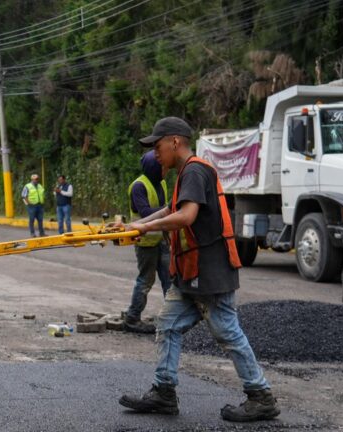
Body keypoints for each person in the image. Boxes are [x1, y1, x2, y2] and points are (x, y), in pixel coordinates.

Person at [118, 117, 279, 422]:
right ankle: (164, 392)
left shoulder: (194, 170)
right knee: (168, 324)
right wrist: (134, 226)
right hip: (190, 273)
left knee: (227, 332)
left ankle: (261, 396)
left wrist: (145, 227)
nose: (154, 153)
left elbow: (186, 216)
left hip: (208, 272)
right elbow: (172, 209)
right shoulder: (187, 173)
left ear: (175, 141)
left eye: (157, 146)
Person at [123, 152, 171, 334]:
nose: (166, 170)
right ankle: (132, 318)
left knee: (169, 279)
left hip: (161, 240)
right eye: (163, 167)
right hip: (145, 243)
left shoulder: (161, 183)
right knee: (145, 281)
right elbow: (145, 213)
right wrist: (169, 209)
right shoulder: (138, 186)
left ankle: (173, 318)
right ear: (154, 168)